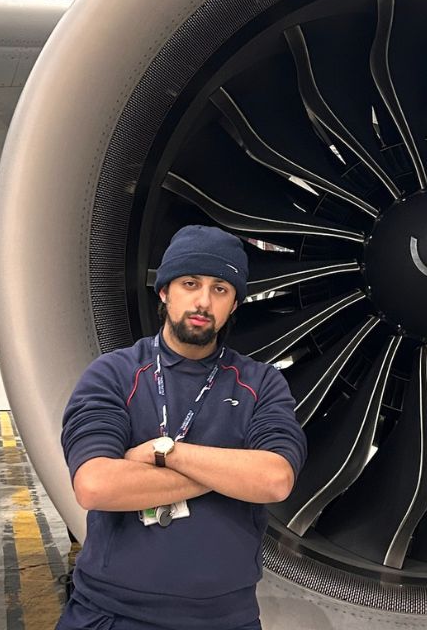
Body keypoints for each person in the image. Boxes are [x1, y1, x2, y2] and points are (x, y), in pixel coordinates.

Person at [58, 225, 307, 630]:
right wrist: (230, 473)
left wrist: (164, 452)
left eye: (221, 289)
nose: (203, 301)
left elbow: (275, 479)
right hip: (112, 614)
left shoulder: (260, 382)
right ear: (164, 292)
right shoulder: (114, 374)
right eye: (190, 283)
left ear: (235, 305)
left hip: (225, 618)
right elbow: (95, 486)